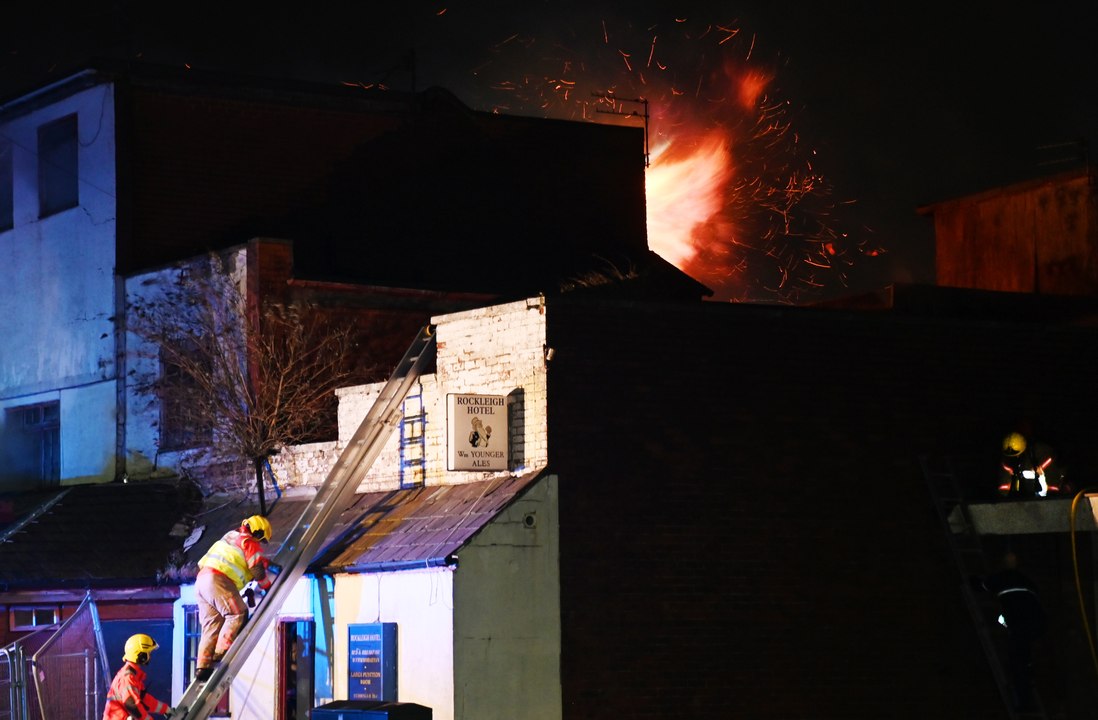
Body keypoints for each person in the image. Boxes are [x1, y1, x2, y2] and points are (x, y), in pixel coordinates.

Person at [194, 514, 276, 681]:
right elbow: (257, 570)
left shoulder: (231, 536)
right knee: (237, 613)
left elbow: (240, 558)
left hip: (202, 581)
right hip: (219, 580)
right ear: (258, 533)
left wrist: (264, 562)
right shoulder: (250, 541)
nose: (260, 543)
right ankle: (221, 652)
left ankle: (202, 667)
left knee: (211, 624)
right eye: (261, 539)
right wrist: (268, 587)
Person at [973, 551, 1046, 712]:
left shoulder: (1001, 578)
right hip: (1034, 625)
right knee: (1024, 659)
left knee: (1017, 663)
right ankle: (1027, 683)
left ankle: (1022, 702)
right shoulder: (1026, 581)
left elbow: (981, 586)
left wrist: (974, 580)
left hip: (1020, 625)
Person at [102, 633, 173, 719]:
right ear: (141, 656)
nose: (150, 656)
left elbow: (144, 700)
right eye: (148, 653)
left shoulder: (132, 675)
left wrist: (166, 709)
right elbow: (135, 708)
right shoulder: (128, 678)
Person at [997, 431, 1064, 499]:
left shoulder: (1043, 453)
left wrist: (1051, 497)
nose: (1014, 458)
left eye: (1017, 455)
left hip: (1047, 497)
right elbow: (1004, 483)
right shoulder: (1007, 461)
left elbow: (1053, 478)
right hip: (1023, 498)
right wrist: (1006, 498)